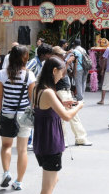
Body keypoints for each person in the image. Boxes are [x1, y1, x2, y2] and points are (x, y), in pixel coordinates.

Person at [32, 56, 85, 194]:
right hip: (50, 143)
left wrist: (62, 104)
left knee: (53, 180)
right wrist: (78, 106)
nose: (61, 77)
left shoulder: (37, 88)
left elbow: (44, 108)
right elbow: (66, 116)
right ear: (54, 71)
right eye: (61, 73)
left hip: (42, 141)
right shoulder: (49, 92)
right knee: (47, 188)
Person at [0, 45, 35, 190]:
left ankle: (6, 172)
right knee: (22, 150)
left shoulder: (2, 74)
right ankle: (18, 181)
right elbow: (32, 99)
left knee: (6, 146)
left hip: (7, 113)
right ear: (25, 58)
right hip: (24, 115)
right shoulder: (29, 75)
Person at [52, 46, 93, 146]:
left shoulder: (61, 62)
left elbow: (69, 74)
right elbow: (60, 76)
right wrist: (67, 63)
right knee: (64, 116)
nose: (63, 55)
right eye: (61, 54)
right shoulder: (54, 63)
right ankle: (66, 139)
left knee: (72, 115)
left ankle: (79, 138)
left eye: (63, 54)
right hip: (60, 91)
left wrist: (70, 62)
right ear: (56, 55)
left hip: (66, 91)